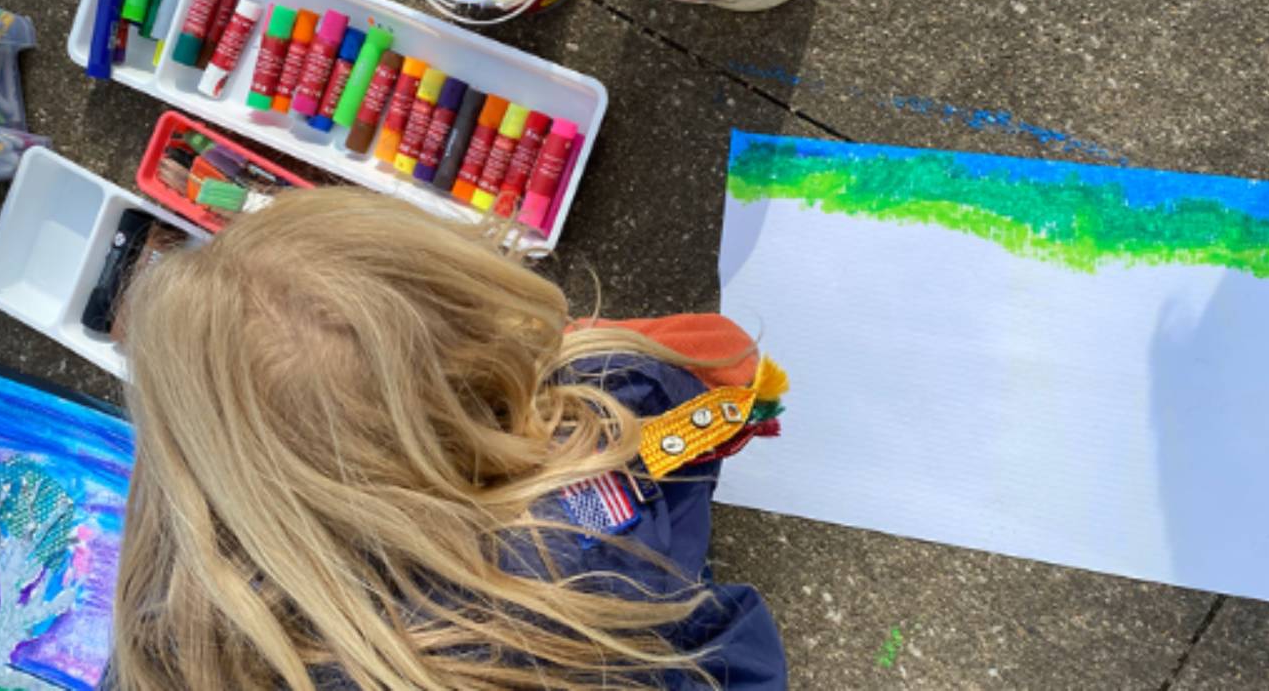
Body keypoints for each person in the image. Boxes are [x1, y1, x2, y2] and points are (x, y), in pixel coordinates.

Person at [107, 187, 788, 690]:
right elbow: (731, 658)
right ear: (496, 397)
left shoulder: (171, 635)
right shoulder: (583, 559)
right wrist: (640, 381)